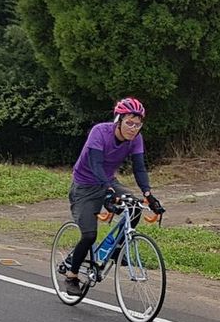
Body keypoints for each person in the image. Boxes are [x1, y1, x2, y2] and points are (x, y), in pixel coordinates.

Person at [58, 97, 164, 294]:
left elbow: (139, 168)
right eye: (129, 123)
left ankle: (117, 249)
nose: (133, 128)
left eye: (138, 125)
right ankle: (71, 276)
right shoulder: (99, 132)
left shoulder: (136, 139)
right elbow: (95, 163)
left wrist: (149, 194)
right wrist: (107, 190)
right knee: (89, 235)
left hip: (108, 182)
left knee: (134, 206)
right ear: (118, 120)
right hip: (85, 186)